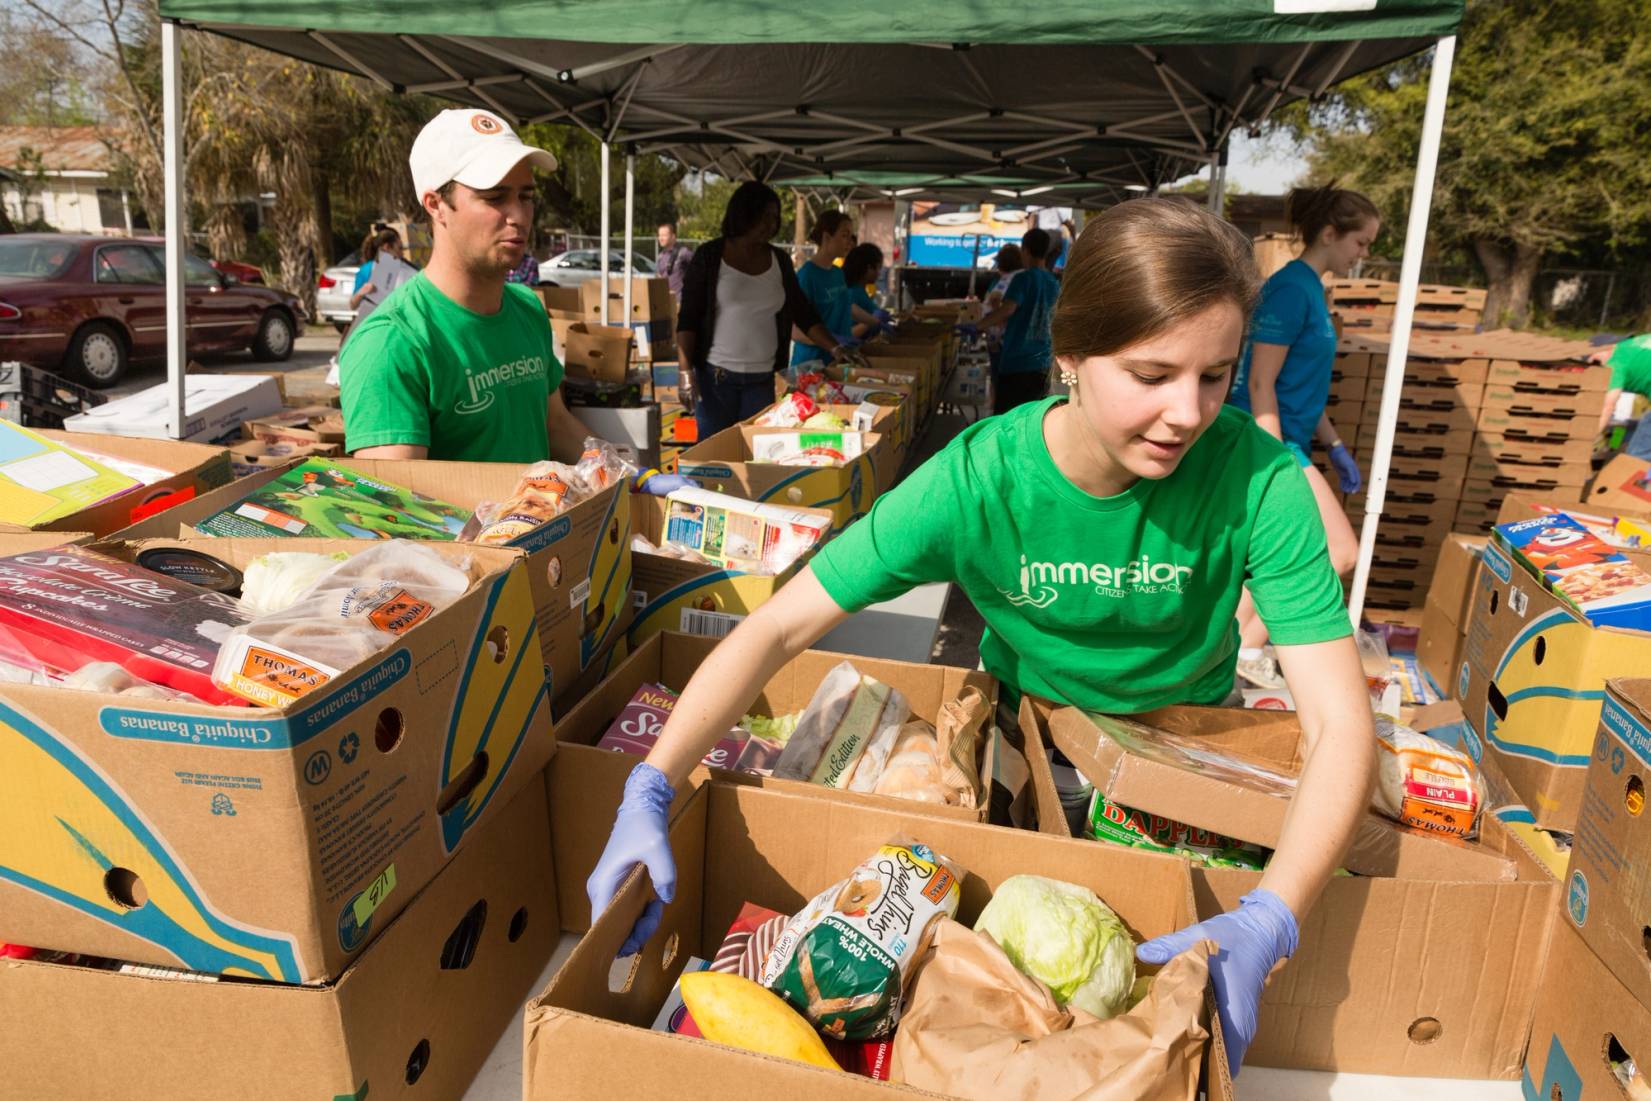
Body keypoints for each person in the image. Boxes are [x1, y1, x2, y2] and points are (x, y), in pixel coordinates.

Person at [587, 198, 1375, 1077]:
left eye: (1216, 375)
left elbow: (1341, 723)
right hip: (1024, 756)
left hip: (1185, 777)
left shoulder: (1258, 479)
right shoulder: (975, 481)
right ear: (1068, 356)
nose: (1188, 413)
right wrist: (652, 784)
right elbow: (777, 623)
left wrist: (1273, 913)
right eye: (1152, 375)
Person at [337, 107, 686, 496]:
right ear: (436, 205)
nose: (518, 215)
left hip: (546, 544)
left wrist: (626, 476)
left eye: (526, 196)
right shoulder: (390, 342)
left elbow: (555, 425)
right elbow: (398, 508)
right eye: (494, 197)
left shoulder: (525, 307)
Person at [1226, 184, 1377, 689]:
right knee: (1338, 551)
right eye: (1361, 243)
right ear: (1330, 234)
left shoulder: (1312, 288)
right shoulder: (1291, 288)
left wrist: (1333, 445)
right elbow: (1261, 381)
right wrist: (1278, 461)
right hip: (1271, 440)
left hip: (1292, 437)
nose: (1364, 255)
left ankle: (1240, 649)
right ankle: (1241, 648)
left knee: (1291, 553)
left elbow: (1300, 384)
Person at [675, 181, 858, 439]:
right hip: (716, 381)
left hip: (761, 381)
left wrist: (835, 348)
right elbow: (688, 318)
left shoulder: (780, 261)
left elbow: (803, 313)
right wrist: (685, 372)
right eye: (765, 217)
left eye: (775, 217)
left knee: (759, 452)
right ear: (744, 214)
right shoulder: (710, 256)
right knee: (714, 457)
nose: (772, 224)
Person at [970, 226, 1061, 415]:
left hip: (1017, 363)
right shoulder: (1053, 282)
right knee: (1033, 419)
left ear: (1025, 250)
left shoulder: (1023, 279)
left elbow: (1007, 309)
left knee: (1005, 421)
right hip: (1043, 365)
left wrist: (977, 326)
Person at [790, 211, 882, 371]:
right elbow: (795, 331)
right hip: (810, 365)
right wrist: (831, 341)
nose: (850, 242)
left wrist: (875, 321)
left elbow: (846, 305)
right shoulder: (807, 275)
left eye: (851, 236)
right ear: (827, 237)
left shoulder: (838, 273)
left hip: (835, 362)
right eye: (844, 235)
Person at [347, 227, 418, 335]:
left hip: (398, 329)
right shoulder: (367, 269)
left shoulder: (408, 271)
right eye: (399, 248)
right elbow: (352, 305)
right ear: (387, 247)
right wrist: (362, 292)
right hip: (373, 330)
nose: (402, 253)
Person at [1592, 334, 1651, 459]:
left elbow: (1607, 407)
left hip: (1621, 419)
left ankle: (1614, 453)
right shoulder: (1632, 344)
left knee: (1637, 456)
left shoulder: (1615, 364)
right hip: (1624, 419)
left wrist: (1584, 440)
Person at [841, 242, 891, 340]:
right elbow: (845, 335)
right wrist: (873, 321)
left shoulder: (860, 291)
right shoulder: (852, 294)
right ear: (869, 268)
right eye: (878, 267)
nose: (879, 273)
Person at [655, 221, 695, 300]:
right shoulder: (660, 256)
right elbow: (659, 277)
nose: (660, 238)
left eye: (664, 235)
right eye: (659, 235)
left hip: (681, 302)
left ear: (673, 236)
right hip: (665, 301)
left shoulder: (683, 252)